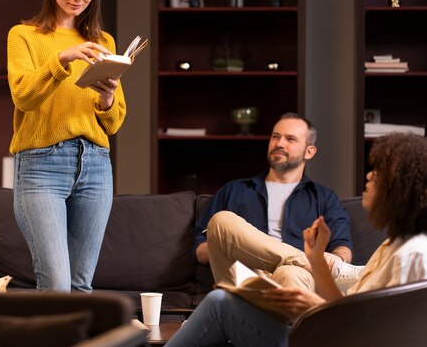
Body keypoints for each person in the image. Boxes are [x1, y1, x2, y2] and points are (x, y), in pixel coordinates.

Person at [166, 132, 427, 347]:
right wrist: (315, 259)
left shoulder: (413, 255)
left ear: (402, 188)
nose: (369, 176)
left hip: (318, 321)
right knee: (222, 229)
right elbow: (349, 312)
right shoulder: (392, 246)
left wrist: (313, 303)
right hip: (271, 280)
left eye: (380, 173)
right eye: (275, 136)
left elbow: (378, 336)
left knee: (224, 301)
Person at [6, 0, 126, 292]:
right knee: (57, 284)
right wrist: (63, 59)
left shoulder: (103, 41)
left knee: (80, 284)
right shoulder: (23, 35)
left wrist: (106, 98)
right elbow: (24, 96)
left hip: (96, 165)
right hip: (42, 165)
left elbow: (114, 122)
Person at [195, 113, 352, 290]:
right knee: (221, 220)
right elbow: (201, 249)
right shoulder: (234, 190)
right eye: (275, 137)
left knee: (289, 273)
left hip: (295, 279)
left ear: (309, 151)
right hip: (243, 275)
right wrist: (243, 249)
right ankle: (308, 263)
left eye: (290, 139)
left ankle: (301, 271)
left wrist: (338, 260)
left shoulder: (324, 198)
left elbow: (342, 247)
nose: (279, 143)